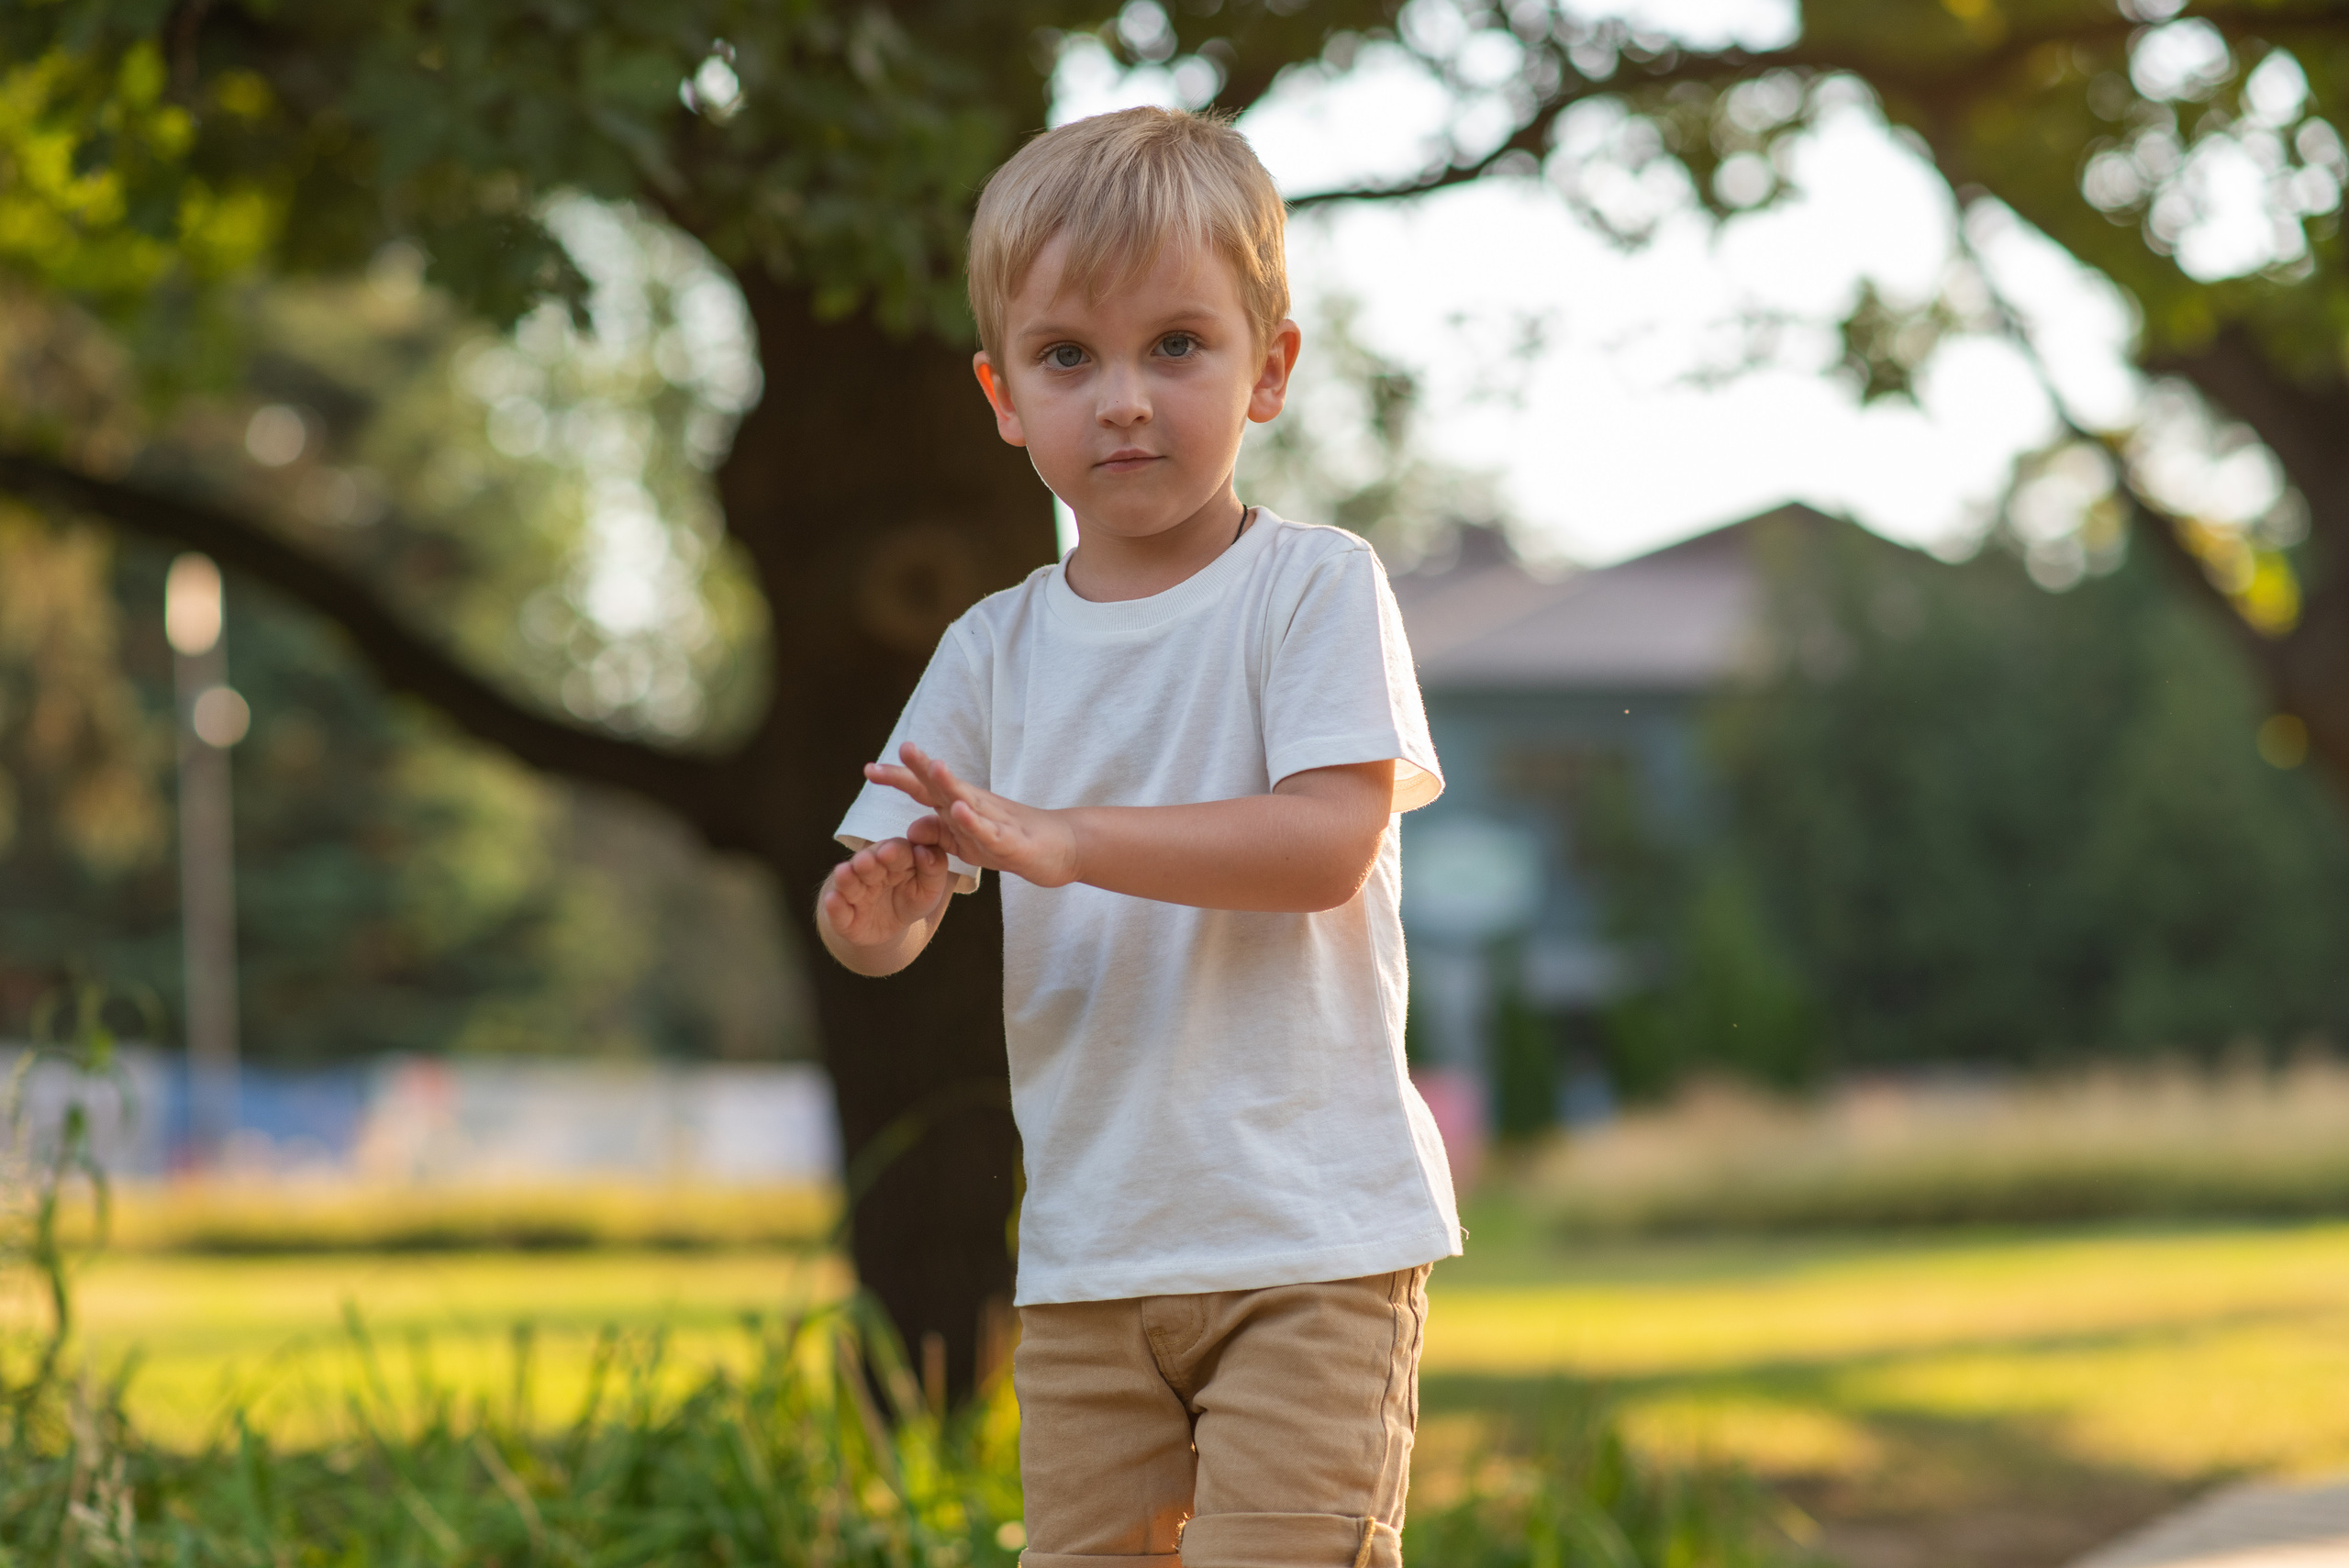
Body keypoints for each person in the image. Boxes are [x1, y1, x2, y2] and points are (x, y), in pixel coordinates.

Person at [818, 106, 1459, 1568]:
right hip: (1092, 1258)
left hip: (1310, 1246)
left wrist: (1063, 837)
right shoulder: (989, 652)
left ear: (1270, 367)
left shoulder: (1313, 592)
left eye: (1177, 345)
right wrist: (877, 914)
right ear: (1002, 395)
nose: (1122, 399)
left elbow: (1321, 846)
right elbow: (897, 901)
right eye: (1067, 358)